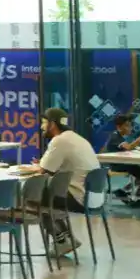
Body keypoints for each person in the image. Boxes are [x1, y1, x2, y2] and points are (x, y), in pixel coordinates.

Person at [38, 108, 101, 253]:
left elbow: (44, 170)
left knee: (33, 197)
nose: (41, 127)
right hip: (94, 198)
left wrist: (36, 167)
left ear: (52, 124)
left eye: (44, 122)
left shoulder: (59, 140)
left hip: (78, 197)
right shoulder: (78, 139)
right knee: (50, 198)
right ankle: (68, 238)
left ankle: (61, 240)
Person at [101, 113, 140, 207]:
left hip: (124, 163)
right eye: (127, 126)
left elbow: (126, 149)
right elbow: (128, 147)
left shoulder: (118, 136)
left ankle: (123, 191)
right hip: (118, 165)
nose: (130, 128)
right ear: (119, 127)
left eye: (130, 125)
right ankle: (136, 199)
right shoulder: (115, 137)